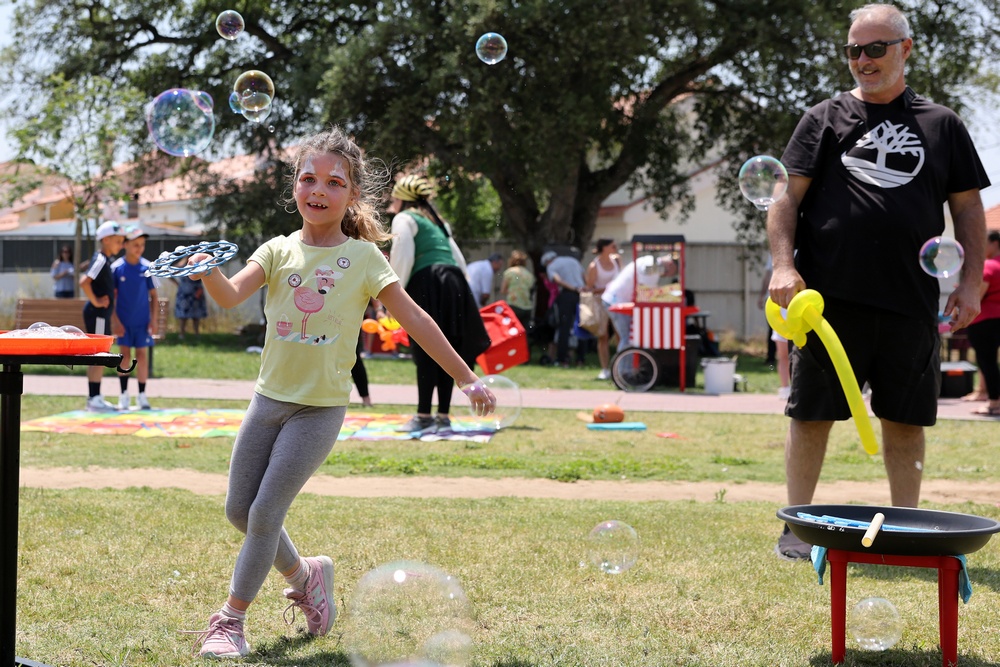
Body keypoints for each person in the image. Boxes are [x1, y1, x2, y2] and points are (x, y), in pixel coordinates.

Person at [181, 128, 495, 658]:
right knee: (239, 510)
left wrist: (466, 377)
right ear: (295, 188)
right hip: (267, 403)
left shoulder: (366, 258)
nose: (318, 189)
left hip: (319, 411)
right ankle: (308, 577)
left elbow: (415, 318)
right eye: (308, 178)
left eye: (333, 181)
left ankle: (230, 621)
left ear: (352, 194)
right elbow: (233, 294)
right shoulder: (278, 249)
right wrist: (206, 269)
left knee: (264, 515)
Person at [766, 4, 990, 561]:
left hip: (910, 299)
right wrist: (783, 265)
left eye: (875, 49)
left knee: (906, 419)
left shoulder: (942, 125)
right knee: (811, 414)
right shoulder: (823, 118)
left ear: (906, 49)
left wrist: (969, 285)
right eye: (853, 51)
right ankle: (797, 529)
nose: (862, 61)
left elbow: (968, 211)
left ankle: (907, 529)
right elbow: (783, 200)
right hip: (825, 301)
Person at [388, 174, 491, 434]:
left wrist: (393, 293)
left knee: (426, 349)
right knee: (450, 348)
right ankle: (443, 416)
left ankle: (423, 415)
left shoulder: (404, 218)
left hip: (428, 282)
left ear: (401, 199)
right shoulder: (439, 223)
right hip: (455, 283)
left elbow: (403, 256)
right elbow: (459, 260)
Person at [80, 221, 126, 411]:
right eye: (117, 241)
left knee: (99, 355)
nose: (121, 245)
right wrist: (96, 301)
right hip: (97, 314)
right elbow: (84, 282)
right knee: (99, 356)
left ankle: (95, 397)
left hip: (101, 315)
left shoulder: (105, 260)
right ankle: (94, 399)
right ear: (105, 239)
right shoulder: (100, 259)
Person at [111, 226, 158, 411]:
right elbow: (112, 298)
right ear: (125, 245)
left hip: (142, 322)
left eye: (142, 245)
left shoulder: (147, 268)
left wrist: (153, 320)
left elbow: (154, 296)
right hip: (123, 323)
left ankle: (142, 395)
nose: (139, 248)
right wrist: (115, 320)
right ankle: (123, 395)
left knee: (141, 356)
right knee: (124, 357)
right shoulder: (116, 268)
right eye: (135, 244)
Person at [600, 254, 678, 352]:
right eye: (670, 273)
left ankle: (626, 366)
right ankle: (624, 367)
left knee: (628, 338)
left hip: (617, 300)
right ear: (670, 264)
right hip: (617, 301)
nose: (666, 275)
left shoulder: (649, 262)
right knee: (628, 338)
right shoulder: (652, 266)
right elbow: (647, 294)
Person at [965, 230, 1000, 416]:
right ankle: (988, 395)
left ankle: (994, 402)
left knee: (987, 362)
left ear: (995, 243)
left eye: (984, 242)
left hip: (985, 321)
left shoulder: (988, 266)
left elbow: (976, 296)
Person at [540, 249, 586, 368]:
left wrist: (573, 288)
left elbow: (558, 280)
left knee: (564, 328)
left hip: (567, 295)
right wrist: (582, 289)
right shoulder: (573, 261)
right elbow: (584, 276)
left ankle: (562, 359)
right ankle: (580, 360)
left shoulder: (551, 266)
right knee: (582, 326)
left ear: (547, 261)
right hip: (582, 295)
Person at [584, 239, 622, 380]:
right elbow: (590, 288)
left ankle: (620, 367)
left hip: (617, 301)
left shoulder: (617, 260)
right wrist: (607, 288)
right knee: (603, 336)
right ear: (604, 248)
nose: (615, 248)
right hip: (601, 302)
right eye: (613, 245)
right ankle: (605, 369)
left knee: (620, 334)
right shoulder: (594, 265)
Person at [758, 255, 790, 400]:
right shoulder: (776, 256)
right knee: (782, 354)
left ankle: (797, 388)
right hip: (780, 310)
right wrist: (762, 295)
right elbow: (768, 276)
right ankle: (785, 388)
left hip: (800, 309)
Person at [499, 249, 536, 328]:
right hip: (527, 307)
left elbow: (503, 290)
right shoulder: (529, 275)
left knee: (512, 330)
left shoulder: (509, 272)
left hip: (514, 305)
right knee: (524, 331)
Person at [173, 274, 208, 339]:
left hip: (196, 291)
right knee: (183, 314)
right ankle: (181, 334)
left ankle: (197, 334)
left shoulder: (198, 265)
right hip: (184, 293)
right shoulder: (181, 266)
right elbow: (168, 272)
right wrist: (177, 283)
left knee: (196, 314)